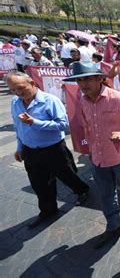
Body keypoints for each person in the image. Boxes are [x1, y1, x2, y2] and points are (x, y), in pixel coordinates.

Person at [63, 61, 120, 249]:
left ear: (100, 78)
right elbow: (87, 127)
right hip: (98, 157)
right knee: (106, 194)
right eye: (79, 80)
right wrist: (91, 149)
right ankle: (113, 225)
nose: (83, 84)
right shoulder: (82, 101)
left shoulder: (117, 98)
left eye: (87, 79)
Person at [6, 71, 90, 228]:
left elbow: (63, 125)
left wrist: (35, 122)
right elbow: (18, 127)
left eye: (21, 87)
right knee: (39, 183)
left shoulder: (50, 100)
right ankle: (48, 210)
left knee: (67, 175)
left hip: (53, 149)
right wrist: (19, 147)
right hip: (30, 151)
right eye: (13, 90)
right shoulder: (15, 102)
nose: (18, 93)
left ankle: (82, 190)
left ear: (31, 83)